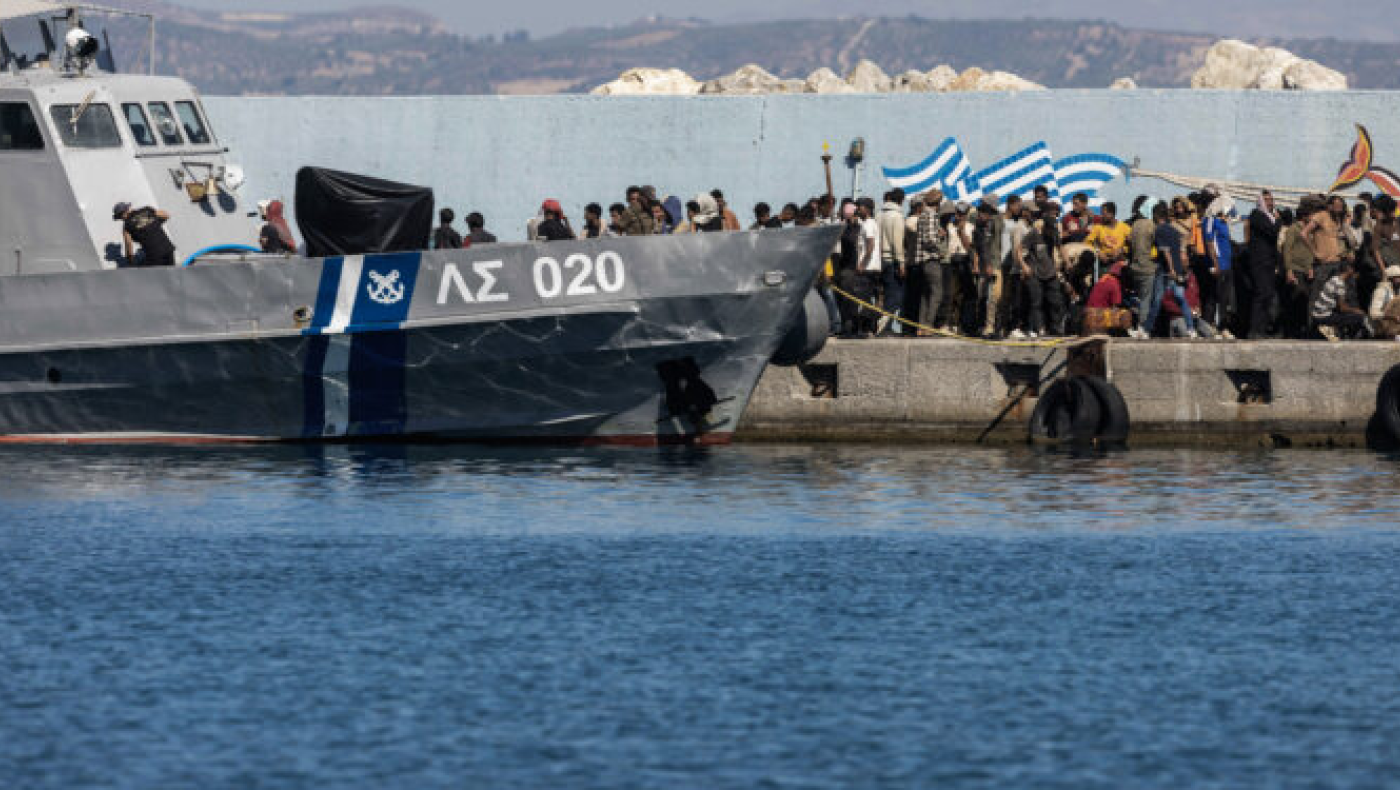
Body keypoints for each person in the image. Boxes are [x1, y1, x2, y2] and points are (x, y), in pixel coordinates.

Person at [1142, 202, 1196, 338]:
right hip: (1178, 269)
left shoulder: (1159, 230)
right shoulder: (1174, 230)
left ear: (1156, 215)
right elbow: (1177, 250)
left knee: (1157, 299)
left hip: (1166, 270)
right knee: (1180, 298)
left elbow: (1166, 252)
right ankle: (1191, 329)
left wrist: (1170, 269)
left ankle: (1146, 330)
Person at [1245, 191, 1281, 339]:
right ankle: (1254, 330)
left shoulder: (1269, 217)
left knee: (1268, 295)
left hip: (1268, 262)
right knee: (1261, 294)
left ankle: (1262, 329)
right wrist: (1278, 221)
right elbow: (1272, 232)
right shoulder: (1257, 215)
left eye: (1271, 200)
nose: (1269, 202)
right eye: (1266, 200)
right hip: (1259, 261)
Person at [911, 194, 948, 335]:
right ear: (938, 202)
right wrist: (940, 249)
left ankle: (921, 326)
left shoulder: (922, 215)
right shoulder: (932, 215)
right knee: (937, 293)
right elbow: (930, 240)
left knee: (926, 295)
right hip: (932, 259)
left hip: (922, 260)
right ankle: (928, 326)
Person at [1021, 217, 1064, 338]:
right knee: (1037, 301)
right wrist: (1024, 265)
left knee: (1056, 300)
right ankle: (1040, 328)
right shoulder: (1034, 234)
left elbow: (1061, 248)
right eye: (1049, 229)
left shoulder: (1054, 235)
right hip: (1035, 272)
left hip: (1050, 272)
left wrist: (1065, 262)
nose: (1051, 232)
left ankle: (1056, 327)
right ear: (1044, 227)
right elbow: (1020, 249)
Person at [1200, 195, 1236, 336]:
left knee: (1225, 298)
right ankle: (1210, 327)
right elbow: (1209, 242)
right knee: (1213, 297)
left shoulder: (1223, 222)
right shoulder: (1209, 220)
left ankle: (1223, 327)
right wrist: (1215, 263)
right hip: (1218, 264)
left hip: (1227, 264)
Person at [1311, 260, 1369, 340]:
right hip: (1323, 316)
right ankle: (1335, 331)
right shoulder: (1340, 284)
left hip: (1316, 314)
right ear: (1349, 269)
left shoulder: (1333, 279)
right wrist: (1356, 310)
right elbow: (1343, 308)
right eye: (1354, 270)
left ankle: (1333, 329)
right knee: (1359, 317)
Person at [876, 189, 907, 334]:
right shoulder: (897, 216)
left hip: (879, 259)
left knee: (882, 294)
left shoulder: (879, 215)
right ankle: (885, 326)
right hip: (891, 260)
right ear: (901, 200)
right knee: (894, 296)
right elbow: (897, 242)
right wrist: (901, 263)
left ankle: (880, 324)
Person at [1126, 195, 1157, 337]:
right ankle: (1143, 328)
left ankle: (1136, 325)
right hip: (1147, 267)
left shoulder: (1135, 224)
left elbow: (1130, 245)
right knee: (1146, 299)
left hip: (1134, 266)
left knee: (1138, 298)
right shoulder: (1151, 225)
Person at [114, 202, 175, 267]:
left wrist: (130, 262)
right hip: (168, 248)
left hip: (154, 255)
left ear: (123, 214)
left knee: (149, 271)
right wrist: (154, 224)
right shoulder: (147, 210)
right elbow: (166, 215)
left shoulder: (127, 226)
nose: (121, 220)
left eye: (120, 218)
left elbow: (129, 245)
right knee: (172, 272)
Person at [1082, 261, 1133, 336]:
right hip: (1097, 316)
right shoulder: (1115, 285)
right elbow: (1115, 308)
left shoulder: (1105, 277)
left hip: (1088, 314)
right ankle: (1125, 334)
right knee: (1126, 313)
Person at [1369, 265, 1400, 339]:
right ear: (1390, 278)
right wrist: (1393, 317)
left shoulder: (1398, 290)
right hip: (1384, 326)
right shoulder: (1381, 291)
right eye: (1398, 277)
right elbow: (1373, 313)